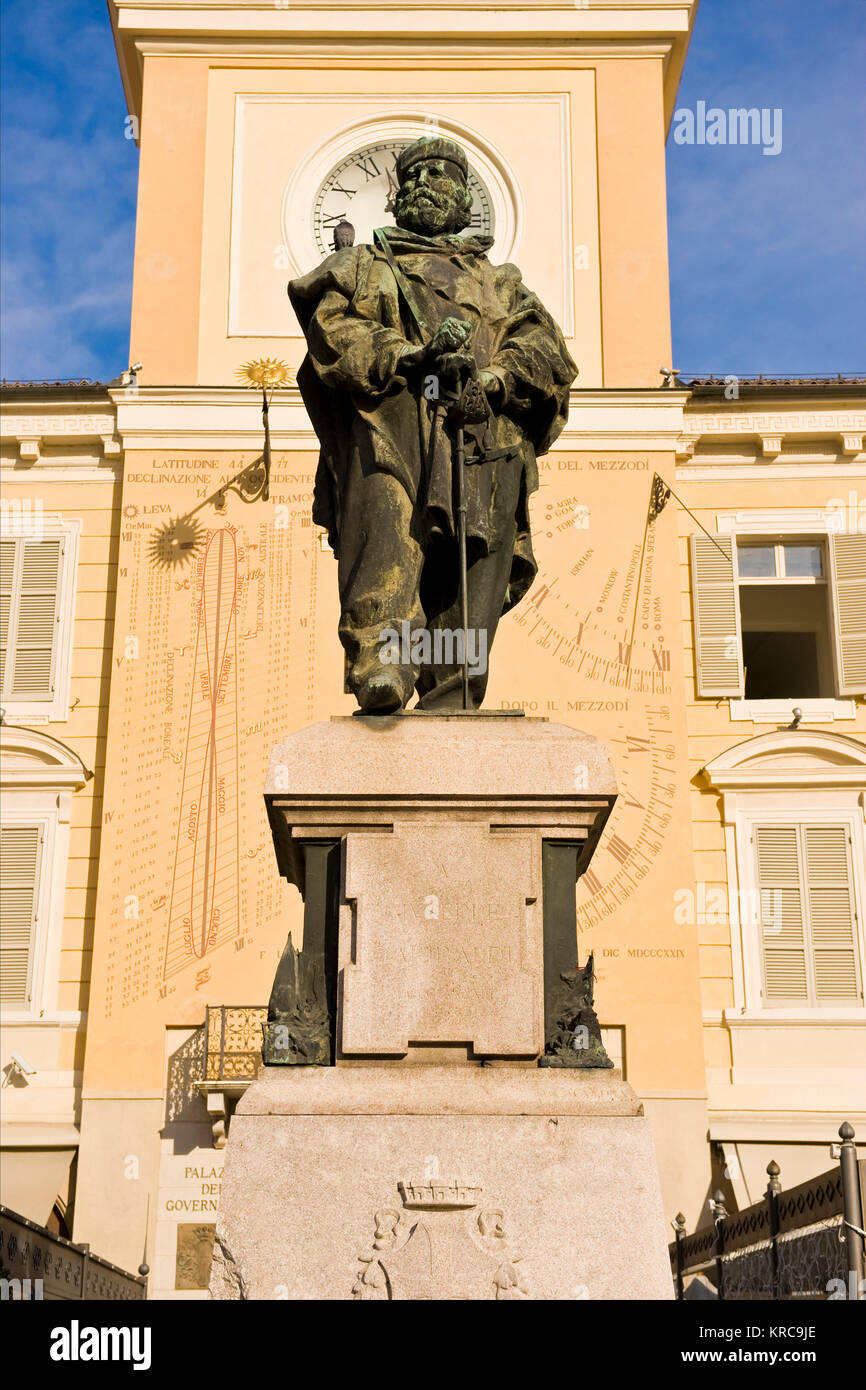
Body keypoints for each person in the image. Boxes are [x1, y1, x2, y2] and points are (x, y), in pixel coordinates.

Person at [289, 135, 577, 712]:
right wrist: (408, 358)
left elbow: (546, 351)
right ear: (394, 202)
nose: (425, 185)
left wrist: (493, 380)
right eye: (413, 179)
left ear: (466, 196)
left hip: (480, 435)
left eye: (441, 174)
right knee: (388, 533)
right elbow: (333, 328)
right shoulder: (364, 266)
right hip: (393, 423)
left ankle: (454, 686)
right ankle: (383, 659)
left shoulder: (502, 284)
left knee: (474, 560)